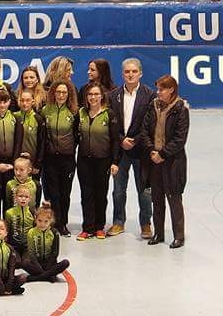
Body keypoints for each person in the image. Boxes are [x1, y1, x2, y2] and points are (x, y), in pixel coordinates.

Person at [107, 58, 156, 238]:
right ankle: (118, 222)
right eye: (127, 71)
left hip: (140, 150)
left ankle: (145, 224)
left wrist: (135, 140)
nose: (130, 74)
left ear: (140, 73)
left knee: (144, 190)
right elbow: (110, 123)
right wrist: (121, 140)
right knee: (118, 189)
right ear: (122, 74)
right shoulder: (113, 96)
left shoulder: (150, 95)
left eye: (134, 71)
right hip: (120, 151)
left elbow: (150, 123)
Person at [139, 75, 189, 249]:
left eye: (161, 89)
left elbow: (180, 138)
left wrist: (163, 154)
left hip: (173, 162)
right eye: (158, 89)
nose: (158, 93)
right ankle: (159, 233)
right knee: (156, 198)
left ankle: (179, 236)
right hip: (154, 161)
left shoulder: (181, 109)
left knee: (174, 198)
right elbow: (144, 131)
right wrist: (152, 150)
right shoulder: (153, 107)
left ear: (171, 90)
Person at [75, 84, 120, 241]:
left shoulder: (109, 114)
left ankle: (99, 227)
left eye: (96, 94)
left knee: (101, 194)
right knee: (86, 194)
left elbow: (115, 140)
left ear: (102, 96)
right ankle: (87, 228)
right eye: (90, 94)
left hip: (103, 161)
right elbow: (75, 136)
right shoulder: (80, 113)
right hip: (84, 161)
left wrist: (115, 162)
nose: (93, 97)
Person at [41, 80, 79, 236]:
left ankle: (63, 223)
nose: (61, 95)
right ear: (53, 93)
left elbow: (77, 136)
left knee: (65, 193)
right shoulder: (45, 110)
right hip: (50, 158)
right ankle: (53, 223)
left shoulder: (74, 112)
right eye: (58, 92)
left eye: (64, 92)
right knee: (52, 193)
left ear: (69, 94)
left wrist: (69, 148)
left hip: (67, 159)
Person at [21, 204, 71, 282]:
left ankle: (35, 278)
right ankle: (48, 275)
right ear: (35, 219)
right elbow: (31, 253)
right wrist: (39, 269)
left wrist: (48, 268)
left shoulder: (54, 232)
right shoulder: (31, 232)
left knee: (65, 263)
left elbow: (55, 253)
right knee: (24, 263)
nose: (42, 224)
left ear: (51, 221)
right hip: (36, 263)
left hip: (50, 262)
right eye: (39, 220)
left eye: (46, 221)